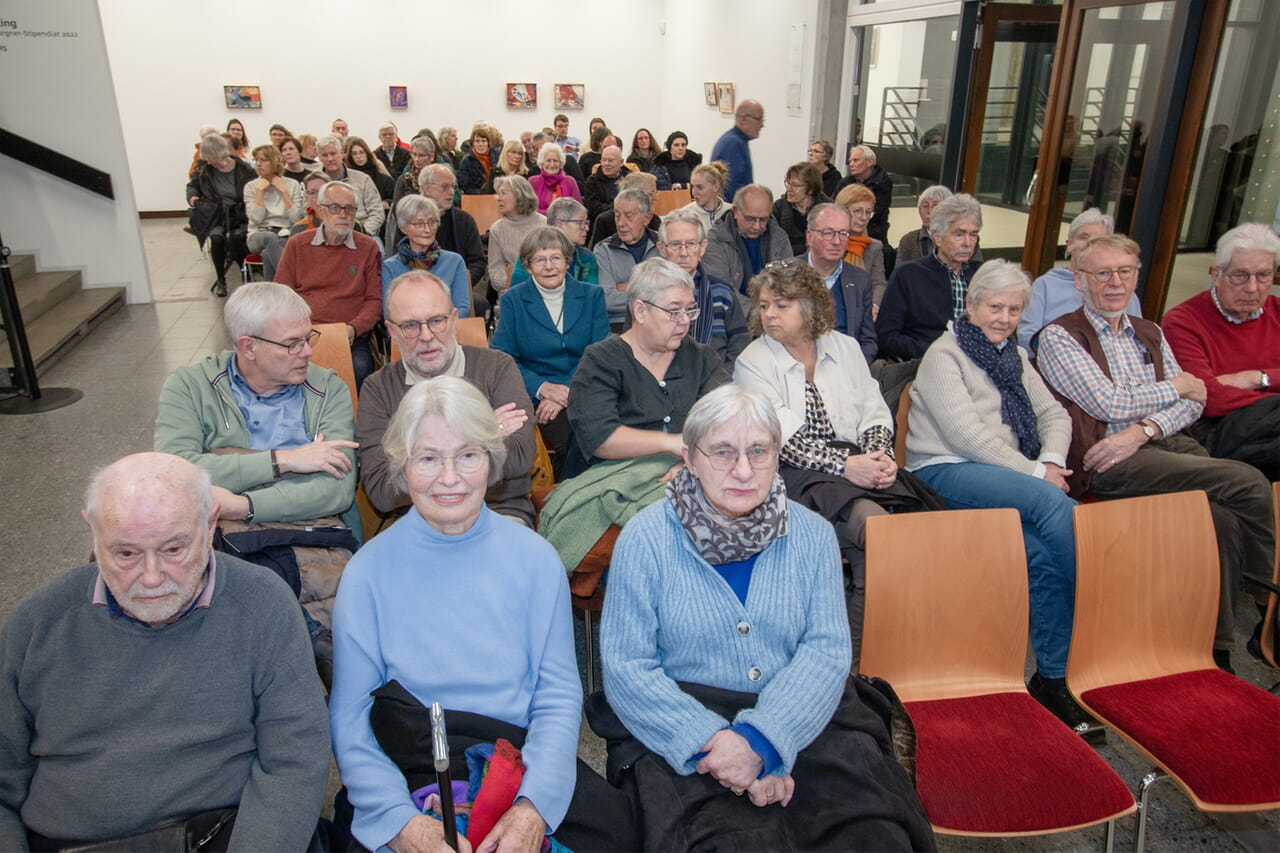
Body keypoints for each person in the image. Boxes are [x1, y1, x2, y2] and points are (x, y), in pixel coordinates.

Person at [598, 385, 936, 851]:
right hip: (687, 729)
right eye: (722, 452)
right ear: (690, 458)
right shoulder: (645, 539)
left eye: (758, 451)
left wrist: (762, 741)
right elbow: (627, 667)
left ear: (778, 455)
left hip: (806, 714)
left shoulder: (813, 535)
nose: (743, 470)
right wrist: (719, 746)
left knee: (874, 834)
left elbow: (825, 651)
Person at [331, 376, 636, 853]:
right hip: (407, 766)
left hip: (518, 762)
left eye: (468, 455)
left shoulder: (536, 560)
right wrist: (400, 823)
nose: (449, 477)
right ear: (402, 466)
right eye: (428, 458)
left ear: (491, 459)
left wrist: (532, 806)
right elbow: (351, 718)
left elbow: (556, 696)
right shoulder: (366, 573)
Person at [0, 452, 331, 851]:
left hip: (217, 834)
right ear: (92, 531)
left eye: (174, 550)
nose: (152, 577)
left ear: (210, 524)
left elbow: (294, 762)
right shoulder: (36, 623)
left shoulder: (263, 605)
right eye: (126, 554)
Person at [1036, 233, 1275, 673]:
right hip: (1107, 460)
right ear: (1079, 280)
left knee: (1218, 518)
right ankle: (1268, 605)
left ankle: (1214, 646)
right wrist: (1171, 392)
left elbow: (1196, 398)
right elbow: (1108, 404)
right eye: (1102, 273)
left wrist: (1146, 427)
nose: (1114, 283)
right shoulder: (1061, 337)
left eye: (1124, 272)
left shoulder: (1149, 332)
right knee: (1247, 480)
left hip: (1153, 443)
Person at [907, 260, 1085, 727]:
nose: (1004, 317)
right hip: (945, 470)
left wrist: (1049, 461)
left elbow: (1056, 417)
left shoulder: (1015, 356)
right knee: (1054, 505)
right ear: (972, 304)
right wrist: (1036, 475)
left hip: (1009, 476)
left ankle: (1054, 676)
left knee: (1043, 556)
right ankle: (1100, 616)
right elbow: (966, 436)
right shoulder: (944, 355)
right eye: (994, 306)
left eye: (1014, 309)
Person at [734, 260, 942, 658]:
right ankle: (864, 668)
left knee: (917, 531)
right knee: (879, 531)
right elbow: (784, 439)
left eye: (782, 305)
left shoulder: (844, 348)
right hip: (794, 473)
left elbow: (874, 410)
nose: (769, 315)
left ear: (810, 307)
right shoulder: (753, 361)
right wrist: (849, 467)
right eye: (764, 306)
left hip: (856, 460)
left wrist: (878, 455)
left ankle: (869, 667)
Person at [359, 270, 536, 524]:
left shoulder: (497, 367)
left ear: (454, 319)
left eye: (436, 320)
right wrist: (486, 434)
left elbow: (520, 457)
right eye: (410, 325)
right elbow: (382, 490)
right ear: (392, 332)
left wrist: (419, 458)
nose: (427, 336)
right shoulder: (377, 389)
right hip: (418, 521)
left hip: (499, 512)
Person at [565, 258, 730, 477]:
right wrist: (672, 443)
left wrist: (692, 464)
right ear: (640, 311)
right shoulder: (601, 360)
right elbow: (599, 438)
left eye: (690, 311)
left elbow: (727, 419)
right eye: (673, 311)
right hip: (613, 479)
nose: (684, 321)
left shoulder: (701, 358)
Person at [1162, 221, 1279, 481]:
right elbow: (1210, 400)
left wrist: (1258, 378)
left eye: (1263, 275)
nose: (1252, 287)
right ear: (1216, 274)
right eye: (1240, 275)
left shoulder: (1278, 310)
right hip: (1217, 430)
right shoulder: (1183, 321)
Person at [492, 228, 610, 480]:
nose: (549, 266)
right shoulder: (513, 300)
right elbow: (503, 357)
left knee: (605, 429)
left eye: (556, 257)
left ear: (568, 261)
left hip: (586, 388)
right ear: (528, 265)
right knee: (574, 437)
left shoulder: (592, 296)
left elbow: (599, 352)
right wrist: (543, 387)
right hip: (536, 397)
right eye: (540, 259)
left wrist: (564, 391)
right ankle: (561, 500)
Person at [275, 182, 383, 388]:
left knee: (359, 368)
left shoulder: (367, 247)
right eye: (335, 207)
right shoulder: (297, 244)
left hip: (350, 335)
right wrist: (300, 330)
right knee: (288, 370)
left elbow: (374, 301)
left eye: (349, 208)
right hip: (304, 333)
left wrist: (354, 328)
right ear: (322, 210)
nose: (343, 214)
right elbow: (281, 296)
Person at [876, 193, 983, 361]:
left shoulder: (982, 277)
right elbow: (886, 336)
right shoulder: (909, 275)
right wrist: (934, 351)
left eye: (973, 235)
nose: (968, 243)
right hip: (923, 363)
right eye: (959, 234)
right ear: (938, 238)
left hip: (976, 365)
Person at [1018, 208, 1138, 351]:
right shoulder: (1045, 285)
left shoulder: (1120, 290)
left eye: (1098, 239)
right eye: (1084, 237)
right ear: (1069, 243)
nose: (1090, 243)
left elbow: (1137, 340)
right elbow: (1027, 337)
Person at [658, 208, 748, 370]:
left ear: (703, 247)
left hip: (717, 383)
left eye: (691, 244)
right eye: (675, 244)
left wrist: (721, 382)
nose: (684, 253)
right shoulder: (647, 294)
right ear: (662, 249)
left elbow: (739, 345)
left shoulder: (723, 293)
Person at [801, 203, 876, 360]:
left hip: (846, 368)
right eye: (828, 233)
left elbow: (868, 340)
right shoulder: (786, 275)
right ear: (810, 237)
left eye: (843, 233)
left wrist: (854, 368)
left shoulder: (860, 280)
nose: (836, 241)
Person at [186, 133, 255, 296]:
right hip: (216, 214)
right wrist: (192, 197)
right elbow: (192, 186)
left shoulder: (244, 169)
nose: (209, 162)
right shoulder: (204, 169)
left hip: (240, 214)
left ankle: (247, 278)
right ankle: (221, 279)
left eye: (212, 158)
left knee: (239, 238)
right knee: (216, 238)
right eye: (208, 158)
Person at [381, 195, 470, 314]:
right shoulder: (389, 267)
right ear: (403, 228)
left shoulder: (454, 261)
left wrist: (439, 328)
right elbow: (390, 313)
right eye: (419, 224)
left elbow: (462, 307)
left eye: (432, 222)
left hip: (447, 329)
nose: (427, 229)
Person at [703, 185, 793, 295]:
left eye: (763, 220)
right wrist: (761, 310)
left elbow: (789, 282)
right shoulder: (716, 240)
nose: (757, 226)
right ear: (735, 211)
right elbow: (722, 292)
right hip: (736, 310)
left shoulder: (779, 237)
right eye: (750, 219)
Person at [595, 187, 660, 331]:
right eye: (617, 215)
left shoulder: (662, 245)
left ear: (647, 218)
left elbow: (670, 293)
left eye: (629, 216)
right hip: (619, 324)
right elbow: (607, 300)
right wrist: (652, 297)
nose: (621, 223)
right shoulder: (604, 249)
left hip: (658, 323)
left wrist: (628, 288)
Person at [244, 144, 304, 281]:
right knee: (270, 238)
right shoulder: (251, 187)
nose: (258, 164)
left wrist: (284, 192)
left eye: (263, 160)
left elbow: (296, 219)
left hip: (285, 233)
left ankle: (272, 292)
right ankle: (292, 279)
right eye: (256, 160)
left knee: (267, 254)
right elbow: (256, 219)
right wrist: (259, 192)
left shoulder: (292, 184)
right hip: (258, 234)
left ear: (275, 161)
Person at [511, 197, 598, 286]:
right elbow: (517, 294)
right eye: (580, 223)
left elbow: (592, 296)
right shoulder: (531, 253)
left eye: (586, 223)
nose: (586, 228)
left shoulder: (587, 258)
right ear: (559, 225)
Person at [486, 175, 546, 298]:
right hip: (512, 290)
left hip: (545, 287)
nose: (498, 198)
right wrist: (515, 283)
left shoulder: (545, 224)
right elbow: (495, 272)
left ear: (520, 195)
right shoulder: (497, 229)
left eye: (503, 193)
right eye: (498, 194)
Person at [314, 134, 385, 239]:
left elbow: (377, 212)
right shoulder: (314, 181)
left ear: (342, 154)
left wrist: (363, 232)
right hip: (325, 234)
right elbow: (307, 210)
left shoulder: (363, 179)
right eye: (325, 155)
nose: (330, 159)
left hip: (362, 231)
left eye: (333, 154)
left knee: (378, 253)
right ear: (319, 157)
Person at [835, 183, 889, 309]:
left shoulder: (874, 247)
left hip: (863, 308)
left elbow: (879, 283)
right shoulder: (829, 241)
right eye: (858, 211)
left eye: (868, 212)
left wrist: (874, 306)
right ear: (842, 211)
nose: (864, 218)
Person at [384, 135, 440, 250]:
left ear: (431, 156)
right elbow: (397, 209)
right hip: (408, 229)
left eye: (421, 155)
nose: (417, 159)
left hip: (436, 227)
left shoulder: (440, 178)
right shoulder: (404, 180)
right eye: (414, 154)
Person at [711, 99, 765, 202]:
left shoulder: (736, 141)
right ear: (744, 118)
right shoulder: (733, 144)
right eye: (759, 119)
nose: (762, 125)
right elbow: (732, 188)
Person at [836, 145, 892, 244]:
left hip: (873, 233)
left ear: (869, 162)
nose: (851, 164)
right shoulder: (844, 183)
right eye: (850, 161)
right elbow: (835, 207)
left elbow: (877, 212)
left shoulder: (882, 182)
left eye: (856, 160)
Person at [773, 162, 829, 255]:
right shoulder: (778, 208)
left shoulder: (828, 209)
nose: (789, 189)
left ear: (810, 189)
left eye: (795, 185)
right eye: (788, 183)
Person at [895, 185, 952, 265]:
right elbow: (899, 275)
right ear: (919, 211)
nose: (929, 211)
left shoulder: (964, 238)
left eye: (935, 206)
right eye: (925, 206)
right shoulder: (908, 241)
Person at [680, 161, 733, 235]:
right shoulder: (683, 215)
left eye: (700, 187)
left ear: (716, 187)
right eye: (692, 186)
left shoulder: (732, 213)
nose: (694, 192)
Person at [529, 142, 582, 214]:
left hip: (565, 224)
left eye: (555, 161)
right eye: (548, 160)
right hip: (539, 224)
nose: (552, 164)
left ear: (561, 163)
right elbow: (528, 210)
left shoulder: (570, 181)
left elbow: (579, 209)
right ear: (542, 162)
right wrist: (552, 215)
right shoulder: (533, 182)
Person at [345, 135, 395, 208]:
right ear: (350, 156)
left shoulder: (383, 179)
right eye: (354, 153)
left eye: (361, 152)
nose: (358, 156)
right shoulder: (347, 178)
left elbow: (395, 198)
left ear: (367, 153)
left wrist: (386, 203)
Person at [583, 144, 628, 225]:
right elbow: (594, 209)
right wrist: (619, 208)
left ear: (621, 162)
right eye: (603, 160)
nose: (606, 164)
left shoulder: (629, 179)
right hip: (602, 224)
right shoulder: (592, 181)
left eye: (610, 160)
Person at [459, 124, 499, 195]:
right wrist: (483, 193)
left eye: (483, 141)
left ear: (488, 143)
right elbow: (466, 186)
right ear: (472, 143)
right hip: (477, 196)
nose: (480, 144)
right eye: (477, 141)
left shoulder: (497, 155)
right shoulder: (466, 161)